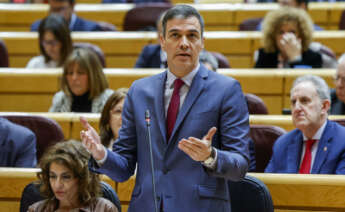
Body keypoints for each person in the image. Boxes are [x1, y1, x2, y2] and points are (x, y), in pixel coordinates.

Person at [81, 5, 251, 212]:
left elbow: (240, 166)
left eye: (192, 35)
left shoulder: (227, 90)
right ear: (162, 41)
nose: (184, 43)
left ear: (202, 43)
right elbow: (124, 167)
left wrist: (210, 156)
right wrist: (101, 154)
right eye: (175, 35)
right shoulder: (140, 90)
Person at [265, 75, 345, 174]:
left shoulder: (342, 142)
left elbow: (339, 188)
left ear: (324, 106)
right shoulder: (282, 144)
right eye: (294, 102)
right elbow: (269, 187)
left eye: (304, 101)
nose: (297, 108)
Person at [27, 140, 118, 212]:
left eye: (66, 177)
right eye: (53, 176)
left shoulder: (104, 209)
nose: (57, 185)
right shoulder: (36, 210)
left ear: (83, 178)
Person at [254, 7, 322, 69]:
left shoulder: (314, 57)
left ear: (301, 35)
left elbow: (305, 81)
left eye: (292, 32)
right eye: (281, 32)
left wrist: (295, 59)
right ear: (273, 36)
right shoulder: (264, 55)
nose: (286, 37)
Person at [49, 48, 113, 112]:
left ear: (93, 75)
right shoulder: (60, 99)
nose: (74, 78)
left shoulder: (108, 99)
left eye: (80, 73)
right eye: (70, 73)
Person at [31, 0, 104, 32]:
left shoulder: (90, 29)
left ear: (72, 6)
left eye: (61, 9)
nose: (56, 14)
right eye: (53, 9)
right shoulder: (37, 28)